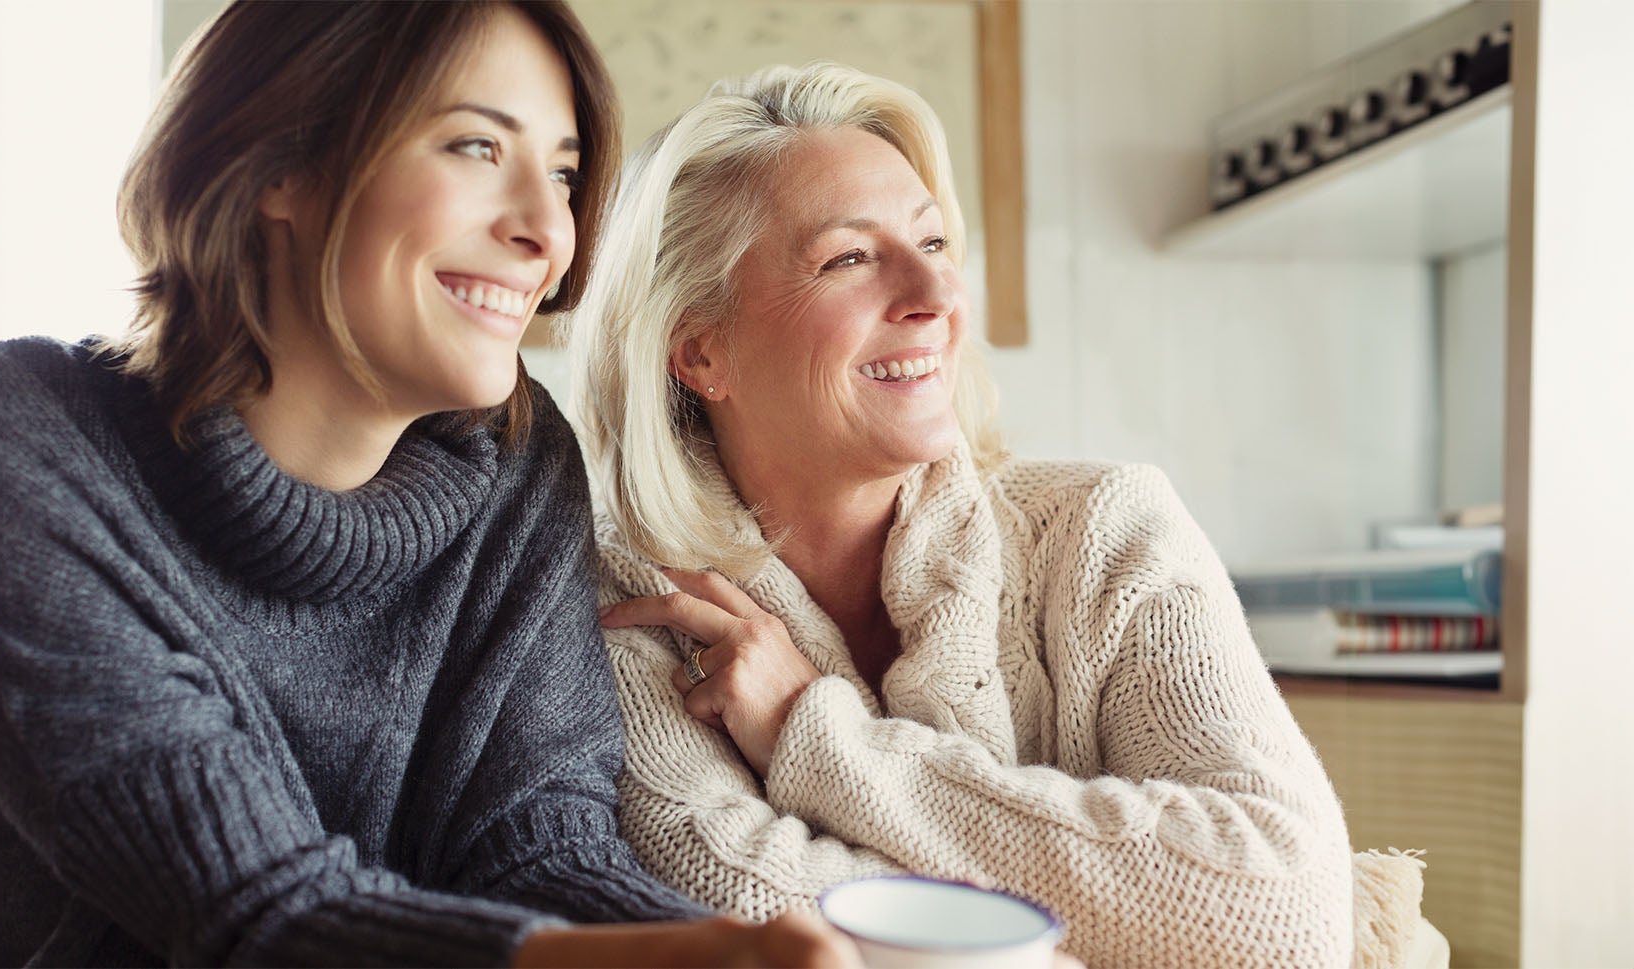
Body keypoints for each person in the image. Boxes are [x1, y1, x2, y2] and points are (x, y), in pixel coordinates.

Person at [0, 5, 858, 967]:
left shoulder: (518, 467)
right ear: (280, 160)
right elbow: (250, 916)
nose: (547, 231)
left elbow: (538, 853)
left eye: (562, 173)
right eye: (476, 147)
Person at [566, 62, 1415, 968]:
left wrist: (816, 735)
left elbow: (1276, 909)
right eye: (849, 257)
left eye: (933, 244)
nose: (933, 298)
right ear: (699, 351)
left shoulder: (1109, 529)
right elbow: (752, 913)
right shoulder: (630, 605)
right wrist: (1134, 922)